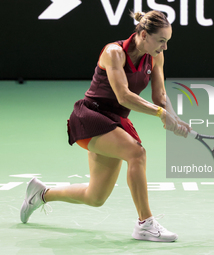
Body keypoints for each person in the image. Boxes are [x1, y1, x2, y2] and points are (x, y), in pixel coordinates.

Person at [20, 10, 190, 242]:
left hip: (115, 122)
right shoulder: (114, 53)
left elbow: (160, 95)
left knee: (95, 196)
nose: (165, 47)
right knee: (136, 153)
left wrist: (174, 118)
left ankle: (41, 195)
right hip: (90, 117)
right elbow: (124, 96)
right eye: (161, 41)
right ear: (142, 35)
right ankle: (145, 224)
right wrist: (161, 114)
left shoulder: (155, 56)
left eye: (167, 41)